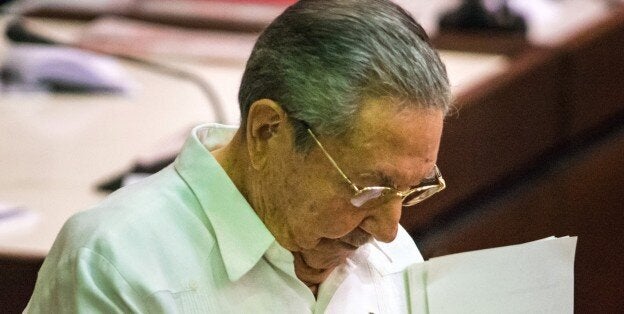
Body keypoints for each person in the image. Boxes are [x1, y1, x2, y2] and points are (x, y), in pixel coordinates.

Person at [25, 0, 451, 312]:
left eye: (412, 189)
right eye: (369, 189)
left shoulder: (391, 260)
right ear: (267, 131)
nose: (390, 231)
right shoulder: (117, 266)